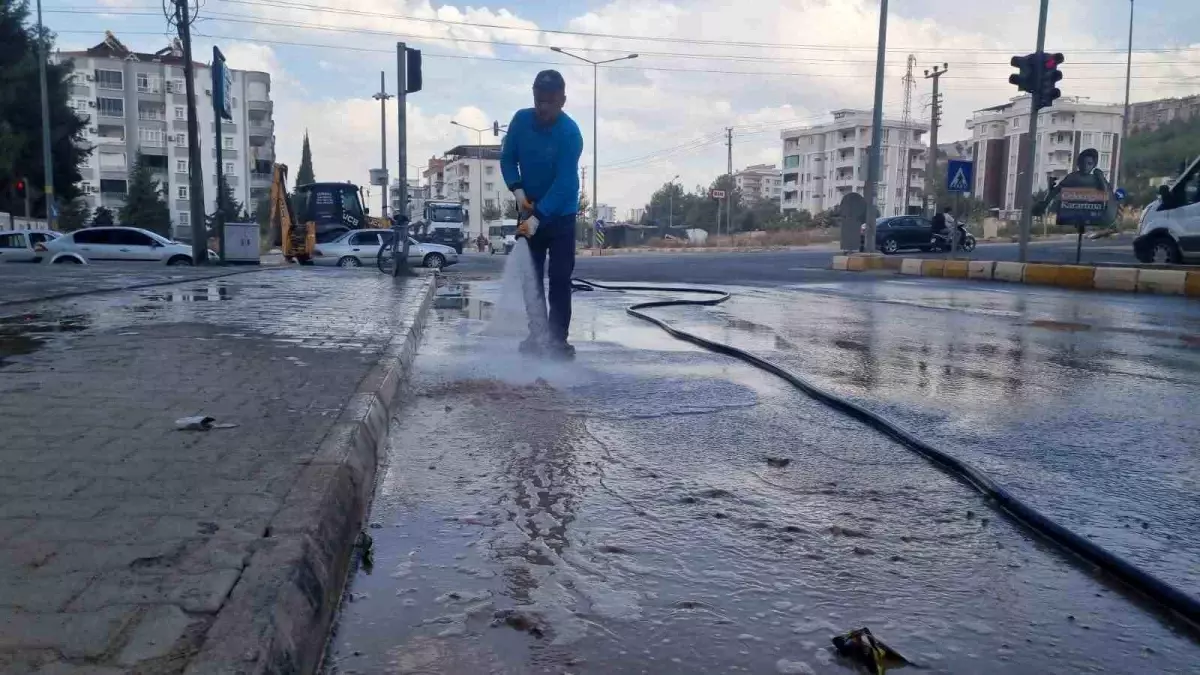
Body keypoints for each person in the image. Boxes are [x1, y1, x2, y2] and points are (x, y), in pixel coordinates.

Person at [501, 69, 584, 360]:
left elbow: (565, 183)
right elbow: (508, 158)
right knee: (531, 277)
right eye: (539, 100)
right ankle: (537, 334)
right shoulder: (521, 121)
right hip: (528, 208)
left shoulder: (570, 133)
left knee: (560, 277)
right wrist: (518, 191)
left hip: (560, 215)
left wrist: (538, 217)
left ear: (562, 100)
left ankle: (557, 339)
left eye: (550, 101)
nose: (543, 108)